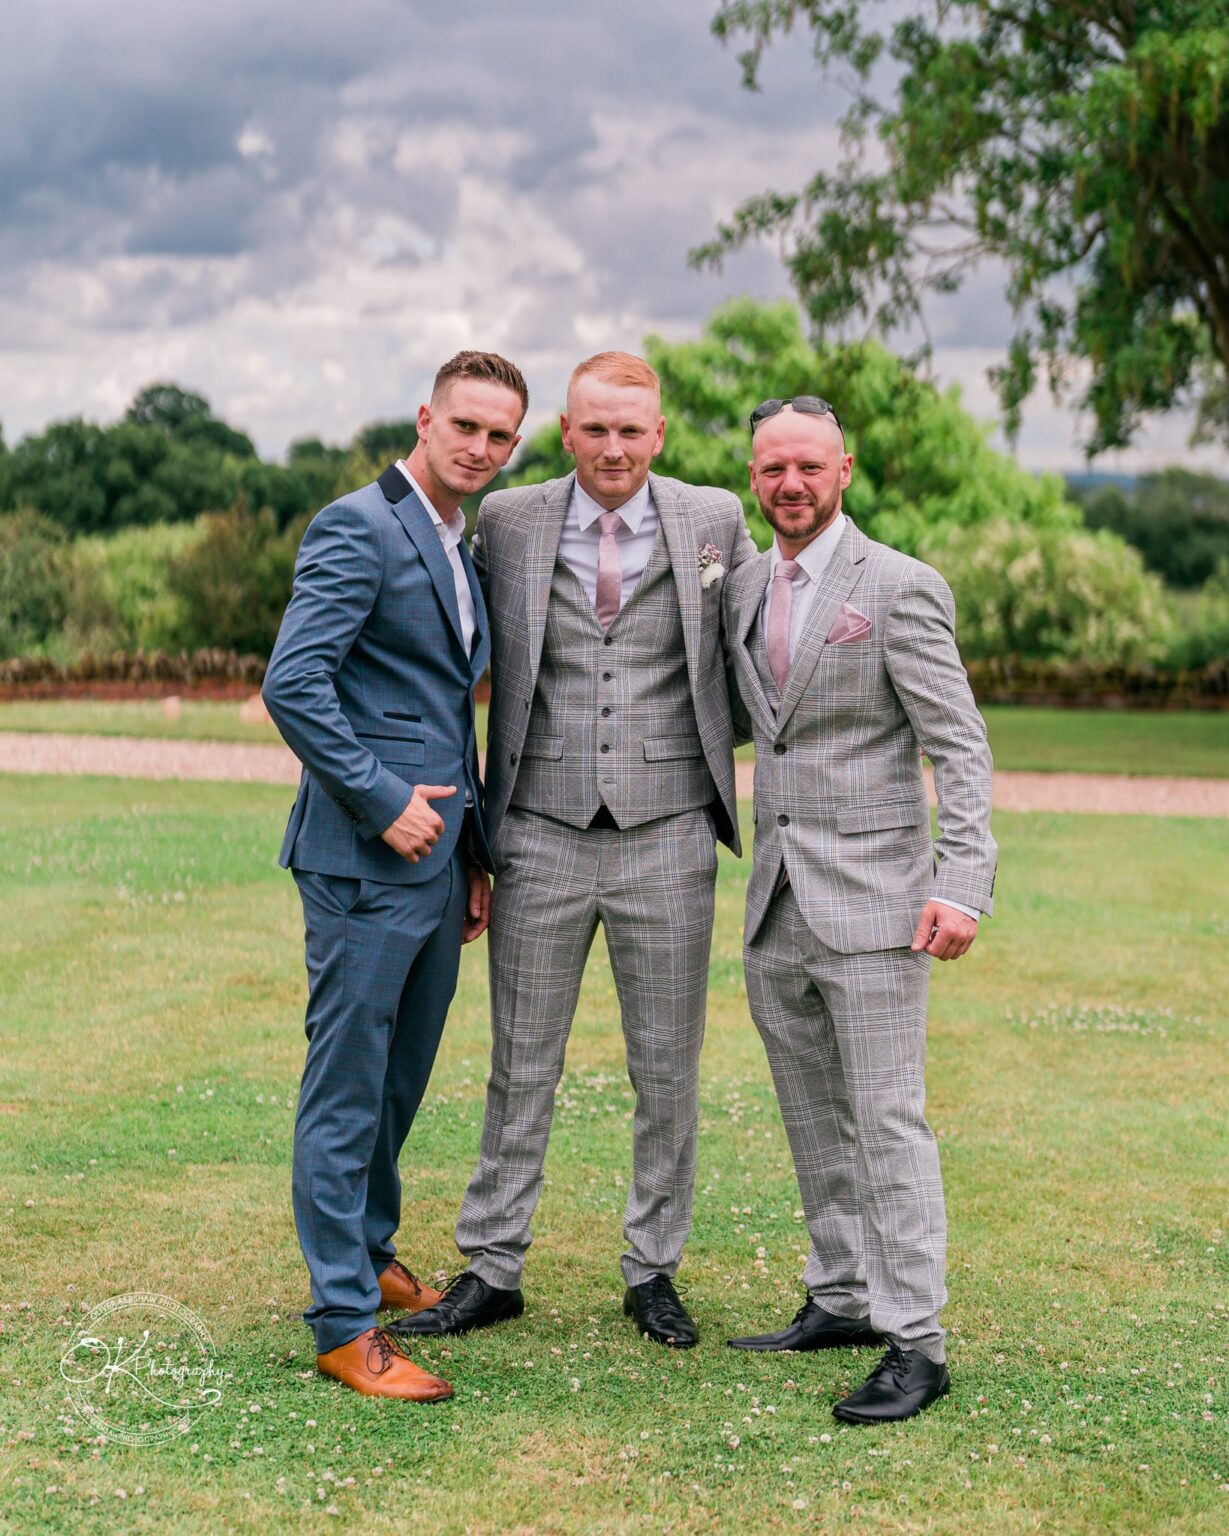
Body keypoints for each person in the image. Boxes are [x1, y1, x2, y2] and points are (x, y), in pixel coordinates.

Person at [394, 352, 756, 1350]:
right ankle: (493, 1265)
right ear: (564, 428)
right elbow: (443, 641)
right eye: (594, 429)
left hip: (669, 832)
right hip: (538, 833)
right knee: (519, 1063)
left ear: (659, 435)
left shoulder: (713, 521)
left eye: (630, 432)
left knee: (667, 1070)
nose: (611, 449)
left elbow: (753, 648)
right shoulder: (507, 521)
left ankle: (651, 1271)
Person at [722, 396, 996, 1423]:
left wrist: (959, 880)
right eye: (769, 469)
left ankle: (915, 1340)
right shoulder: (745, 585)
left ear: (843, 467)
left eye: (806, 465)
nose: (788, 484)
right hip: (775, 901)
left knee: (885, 1122)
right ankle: (840, 1296)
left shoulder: (897, 586)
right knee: (810, 1118)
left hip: (880, 904)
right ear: (753, 478)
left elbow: (957, 745)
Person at [262, 351, 527, 1400]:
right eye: (464, 425)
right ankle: (340, 1320)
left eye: (499, 436)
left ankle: (368, 1250)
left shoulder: (457, 545)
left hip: (432, 866)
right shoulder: (357, 526)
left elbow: (437, 709)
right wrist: (380, 801)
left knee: (398, 1079)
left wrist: (468, 856)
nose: (479, 447)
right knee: (345, 1086)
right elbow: (295, 683)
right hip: (362, 860)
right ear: (425, 417)